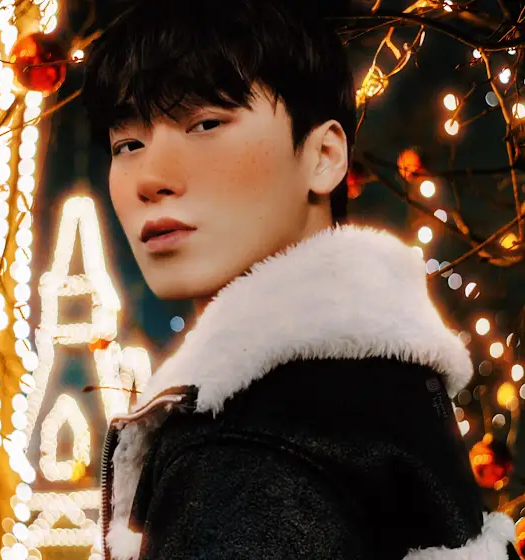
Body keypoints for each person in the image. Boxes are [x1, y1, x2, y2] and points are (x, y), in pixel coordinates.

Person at [81, 0, 518, 558]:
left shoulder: (248, 448)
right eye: (128, 145)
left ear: (325, 156)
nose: (150, 178)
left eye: (205, 124)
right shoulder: (380, 393)